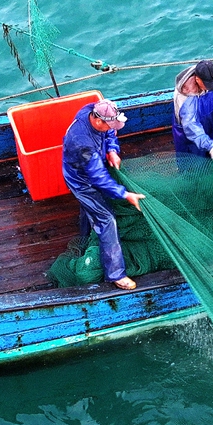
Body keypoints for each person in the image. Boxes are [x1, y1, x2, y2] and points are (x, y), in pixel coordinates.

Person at [62, 99, 145, 290]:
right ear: (97, 121)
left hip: (91, 166)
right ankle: (116, 274)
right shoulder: (82, 143)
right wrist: (126, 195)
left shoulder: (92, 110)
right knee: (107, 219)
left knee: (90, 209)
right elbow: (99, 179)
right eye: (109, 123)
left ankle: (84, 235)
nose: (112, 127)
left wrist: (113, 150)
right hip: (82, 181)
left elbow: (110, 132)